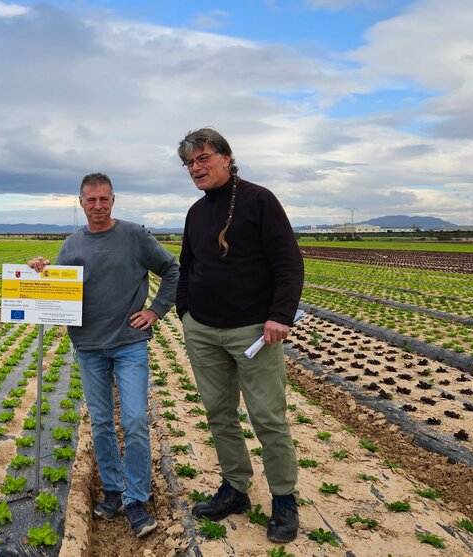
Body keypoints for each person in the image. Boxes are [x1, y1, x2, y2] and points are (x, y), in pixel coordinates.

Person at [28, 173, 179, 538]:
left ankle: (136, 499)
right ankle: (112, 490)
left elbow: (172, 269)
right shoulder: (72, 243)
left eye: (104, 199)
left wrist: (156, 310)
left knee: (135, 420)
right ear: (81, 203)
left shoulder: (134, 236)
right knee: (101, 422)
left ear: (113, 200)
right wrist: (39, 273)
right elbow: (56, 285)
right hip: (89, 345)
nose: (98, 206)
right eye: (91, 200)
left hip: (129, 343)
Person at [175, 128, 304, 543]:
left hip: (254, 331)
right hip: (203, 329)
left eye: (203, 158)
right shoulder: (196, 212)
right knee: (219, 414)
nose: (197, 168)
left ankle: (284, 498)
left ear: (227, 158)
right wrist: (186, 312)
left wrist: (280, 314)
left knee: (267, 416)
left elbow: (288, 261)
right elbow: (187, 264)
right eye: (190, 163)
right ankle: (236, 488)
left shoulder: (259, 200)